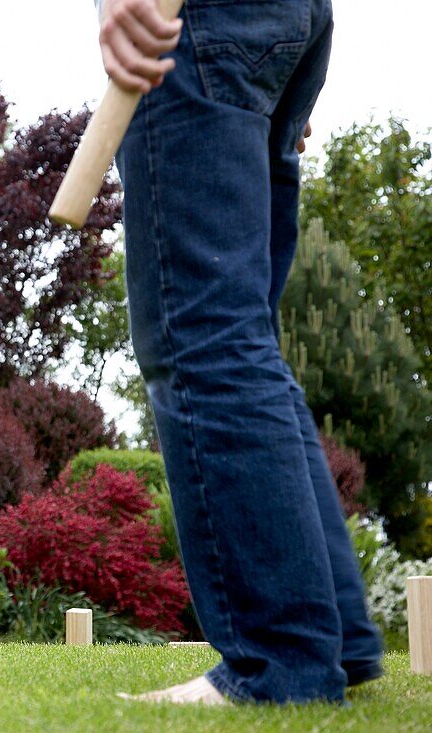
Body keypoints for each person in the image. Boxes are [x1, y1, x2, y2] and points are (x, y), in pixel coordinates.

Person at [98, 0, 383, 704]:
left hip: (203, 20)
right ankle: (335, 641)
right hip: (284, 21)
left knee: (204, 335)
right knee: (241, 336)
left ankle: (283, 663)